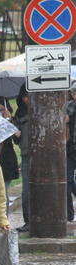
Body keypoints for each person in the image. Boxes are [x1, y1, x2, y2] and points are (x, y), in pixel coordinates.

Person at [0, 96, 19, 213]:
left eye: (2, 109)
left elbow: (18, 138)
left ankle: (4, 221)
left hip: (7, 162)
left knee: (2, 192)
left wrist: (9, 121)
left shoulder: (11, 121)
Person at [13, 86, 30, 232]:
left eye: (28, 96)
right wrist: (14, 129)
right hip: (26, 154)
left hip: (43, 155)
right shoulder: (20, 113)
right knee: (26, 191)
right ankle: (28, 221)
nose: (26, 100)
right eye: (24, 97)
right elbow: (17, 140)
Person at [65, 82, 76, 222]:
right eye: (73, 93)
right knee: (67, 181)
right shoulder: (67, 107)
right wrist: (65, 121)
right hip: (70, 149)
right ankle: (69, 214)